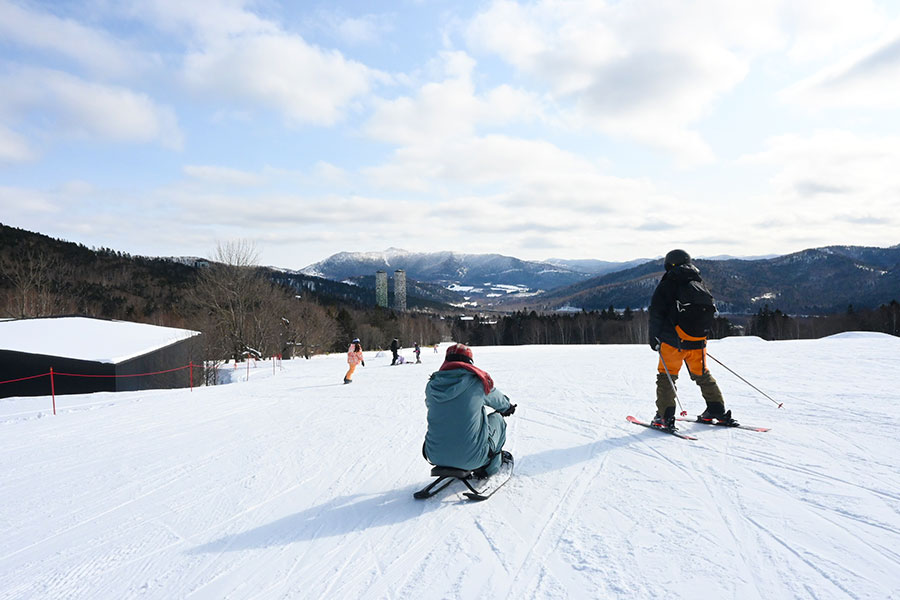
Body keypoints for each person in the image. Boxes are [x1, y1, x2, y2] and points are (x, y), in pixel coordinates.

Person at [648, 249, 734, 429]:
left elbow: (656, 313)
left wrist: (654, 338)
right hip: (698, 341)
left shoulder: (668, 284)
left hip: (673, 341)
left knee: (666, 377)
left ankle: (664, 416)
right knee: (703, 375)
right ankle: (717, 410)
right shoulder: (698, 283)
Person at [423, 344, 516, 478]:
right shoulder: (478, 383)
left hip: (434, 455)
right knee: (497, 419)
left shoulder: (432, 386)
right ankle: (489, 468)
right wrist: (508, 407)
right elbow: (500, 401)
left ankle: (451, 456)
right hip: (473, 458)